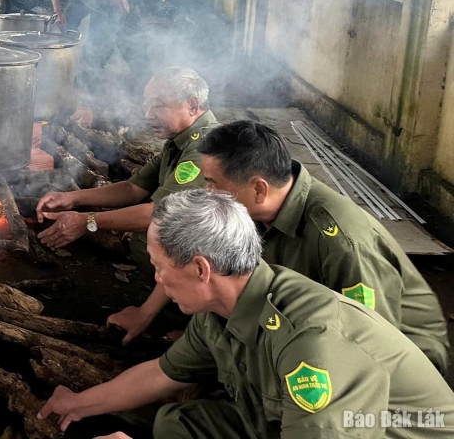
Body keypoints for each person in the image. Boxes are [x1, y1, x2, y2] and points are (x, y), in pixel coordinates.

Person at [37, 189, 454, 438]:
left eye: (159, 266)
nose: (158, 281)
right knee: (180, 424)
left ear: (202, 268)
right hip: (296, 423)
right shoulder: (221, 309)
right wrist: (79, 404)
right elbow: (162, 374)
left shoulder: (313, 341)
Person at [197, 120, 449, 373]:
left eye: (213, 184)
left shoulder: (342, 241)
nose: (208, 193)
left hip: (402, 361)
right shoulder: (254, 214)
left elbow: (373, 341)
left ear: (259, 189)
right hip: (317, 326)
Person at [36, 67, 215, 342]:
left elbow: (161, 215)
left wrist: (87, 222)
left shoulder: (203, 147)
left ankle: (201, 323)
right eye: (146, 104)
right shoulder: (180, 139)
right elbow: (133, 188)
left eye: (158, 105)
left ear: (192, 104)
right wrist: (72, 198)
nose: (148, 114)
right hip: (206, 245)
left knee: (154, 237)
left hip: (225, 256)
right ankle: (182, 309)